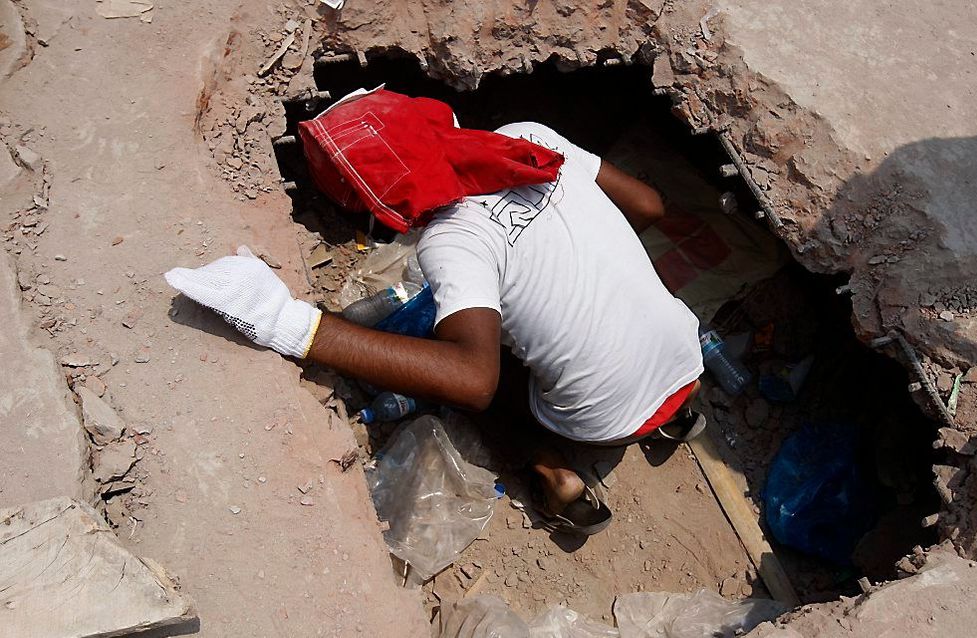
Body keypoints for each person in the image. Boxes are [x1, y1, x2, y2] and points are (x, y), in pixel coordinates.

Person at [165, 121, 705, 535]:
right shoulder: (527, 136)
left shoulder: (453, 239)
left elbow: (473, 380)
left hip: (605, 418)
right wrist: (587, 259)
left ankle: (554, 472)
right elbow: (648, 206)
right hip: (686, 356)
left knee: (470, 379)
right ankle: (675, 416)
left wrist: (291, 324)